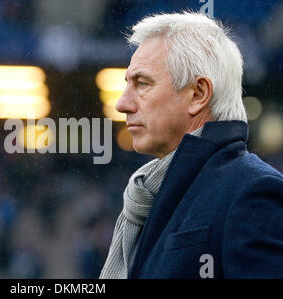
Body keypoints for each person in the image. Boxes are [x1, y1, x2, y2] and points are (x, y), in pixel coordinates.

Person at [100, 12, 283, 279]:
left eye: (143, 84)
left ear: (198, 94)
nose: (122, 104)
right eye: (127, 84)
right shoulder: (149, 195)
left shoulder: (253, 192)